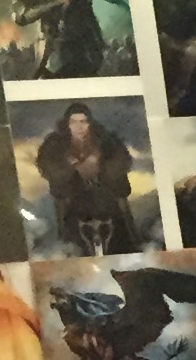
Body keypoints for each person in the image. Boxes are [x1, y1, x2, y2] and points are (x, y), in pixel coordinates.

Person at [30, 103, 139, 255]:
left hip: (105, 190)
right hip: (72, 192)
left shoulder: (105, 139)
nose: (79, 126)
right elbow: (47, 164)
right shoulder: (55, 142)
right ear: (67, 124)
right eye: (74, 122)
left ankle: (132, 238)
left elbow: (121, 159)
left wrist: (101, 164)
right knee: (66, 216)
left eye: (83, 121)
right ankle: (64, 239)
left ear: (89, 123)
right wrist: (69, 165)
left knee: (120, 211)